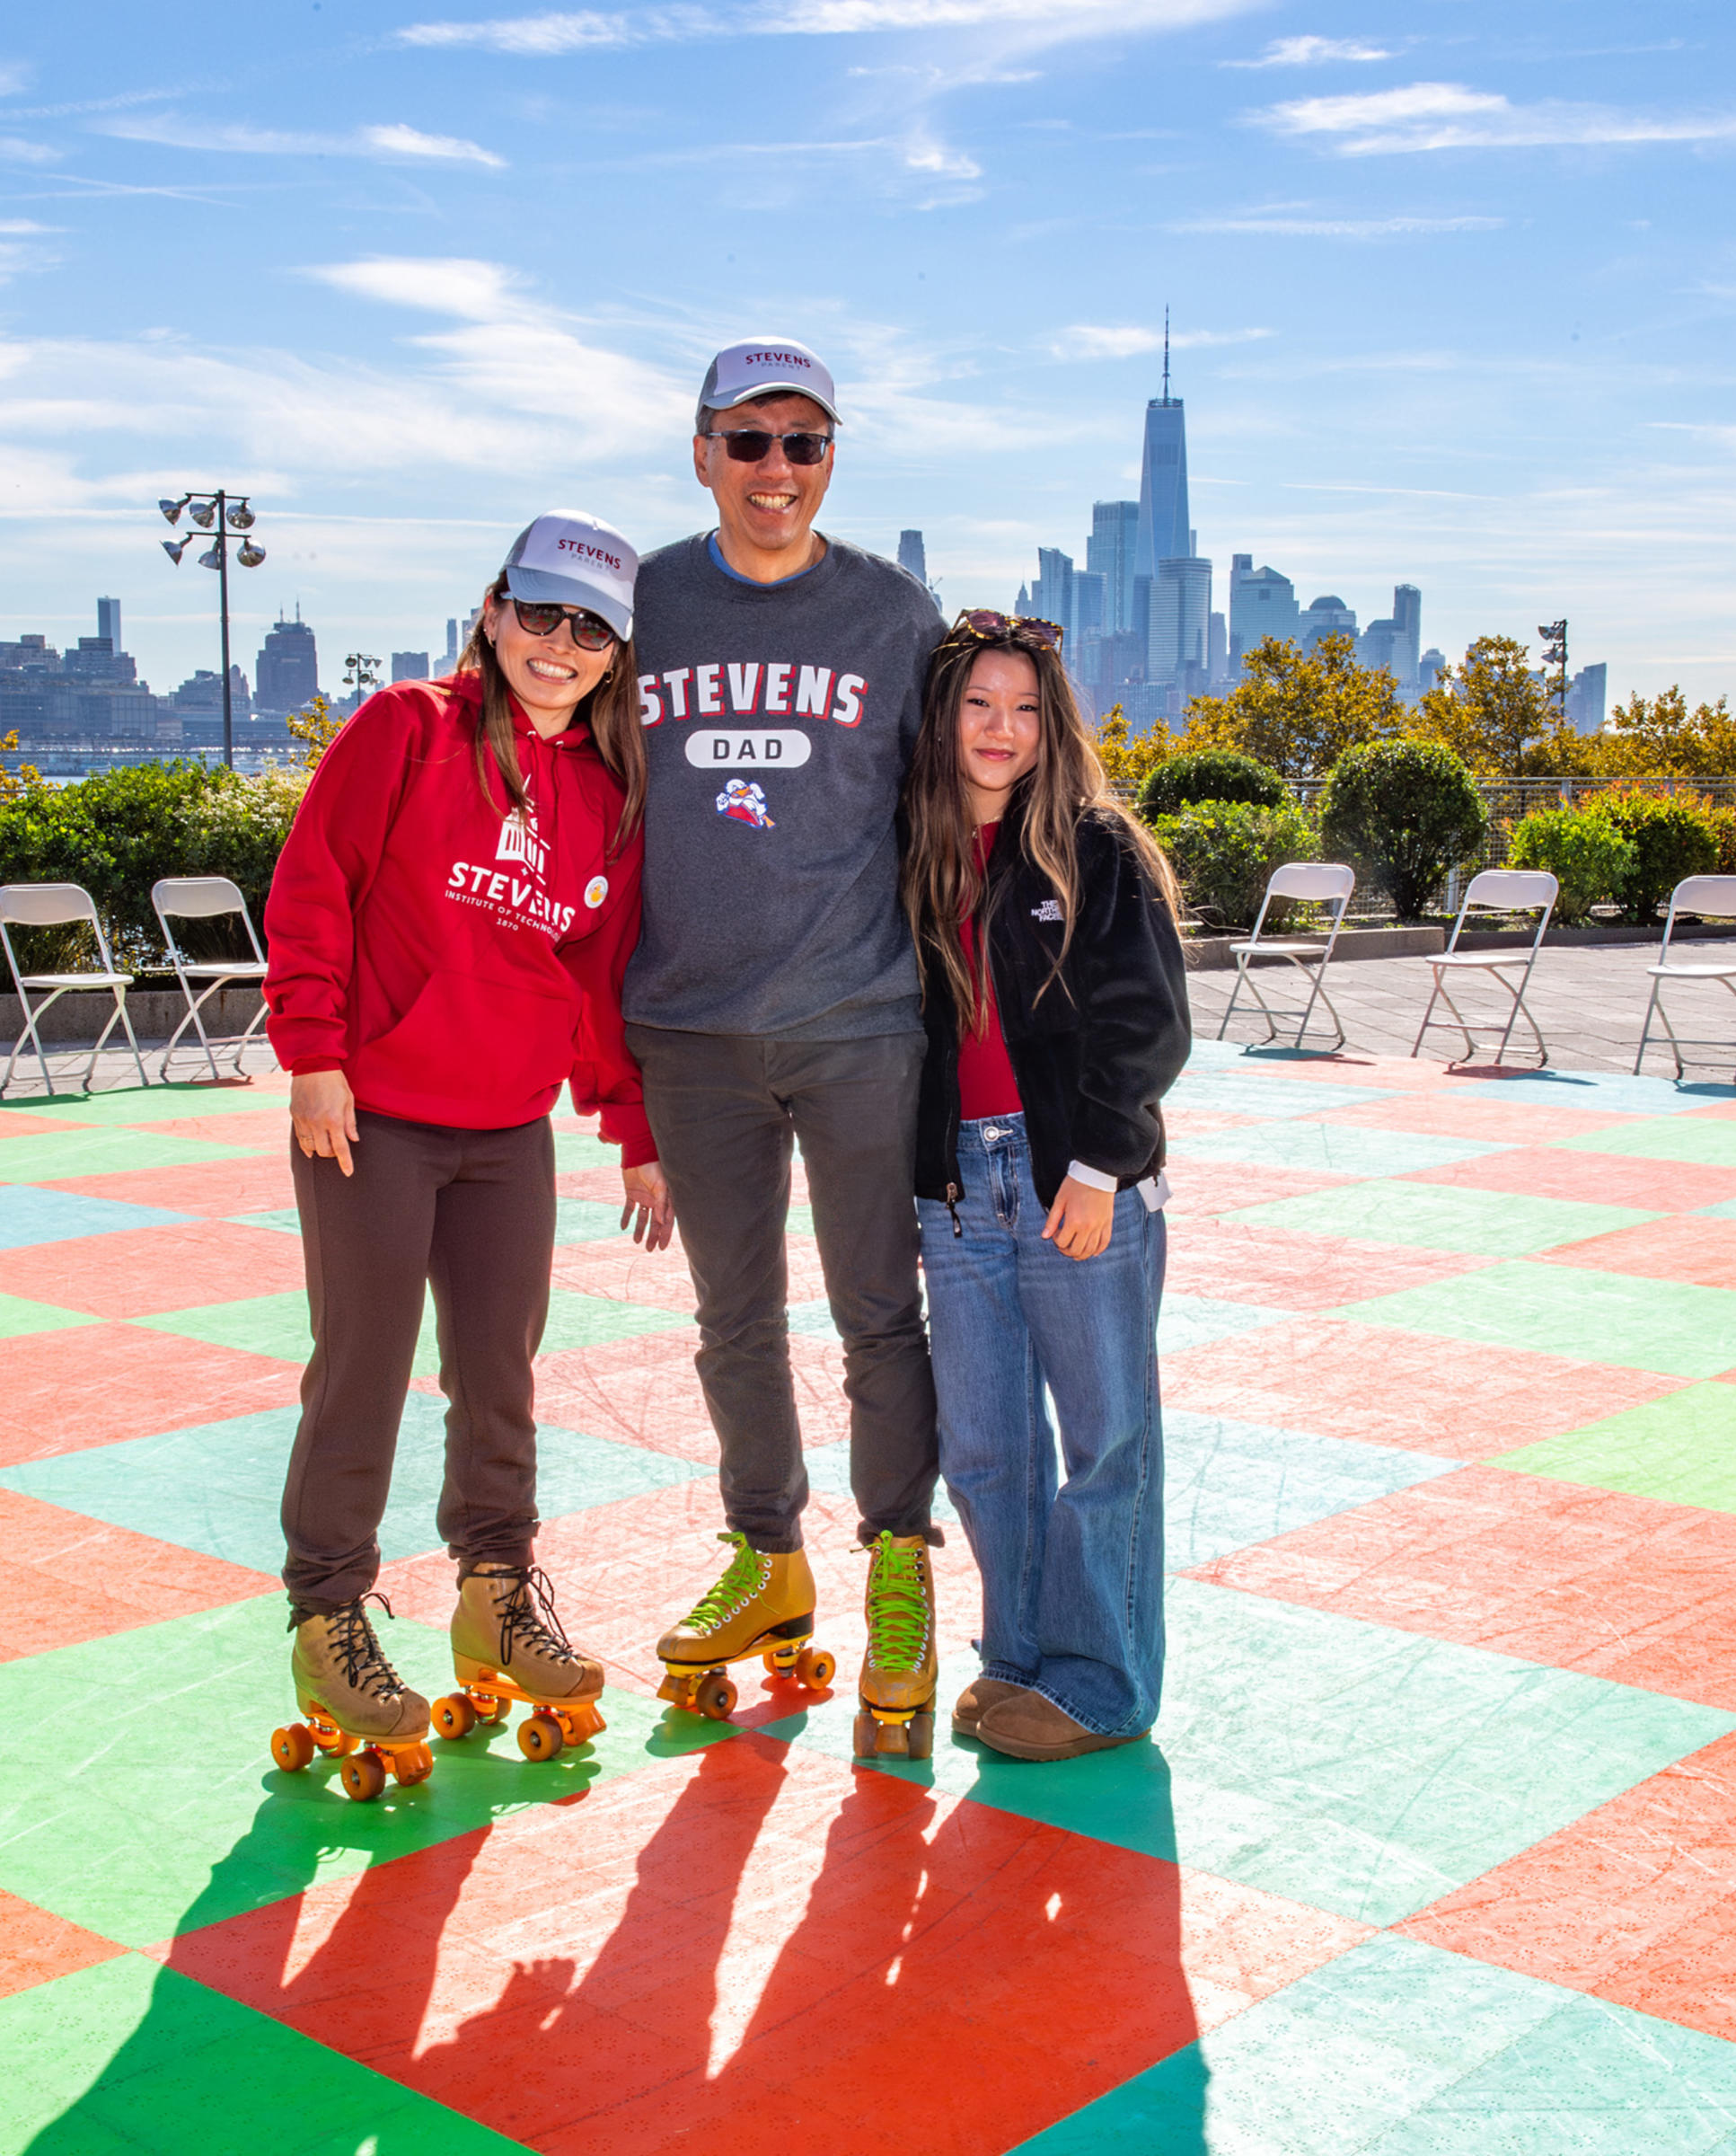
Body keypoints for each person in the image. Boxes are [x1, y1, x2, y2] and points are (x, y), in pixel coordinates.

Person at [262, 509, 674, 1777]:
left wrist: (632, 1129)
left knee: (501, 1376)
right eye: (539, 615)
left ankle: (497, 1594)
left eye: (589, 629)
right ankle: (330, 1614)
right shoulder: (405, 729)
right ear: (494, 615)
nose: (559, 645)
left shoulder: (605, 798)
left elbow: (598, 983)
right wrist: (315, 1056)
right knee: (365, 1369)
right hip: (373, 1118)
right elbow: (314, 882)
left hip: (509, 1131)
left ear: (615, 657)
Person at [625, 337, 947, 1755]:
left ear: (832, 461)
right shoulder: (638, 602)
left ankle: (895, 1563)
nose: (775, 469)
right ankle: (770, 1556)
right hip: (687, 1031)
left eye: (803, 443)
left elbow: (954, 799)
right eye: (746, 441)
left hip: (860, 1020)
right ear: (700, 452)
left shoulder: (893, 614)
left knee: (880, 1313)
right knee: (732, 1320)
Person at [903, 611, 1191, 1762]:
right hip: (958, 1188)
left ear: (1050, 724)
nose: (1002, 728)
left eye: (1025, 708)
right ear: (945, 716)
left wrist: (1097, 1168)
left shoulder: (1092, 846)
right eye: (980, 704)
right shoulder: (911, 849)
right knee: (984, 1442)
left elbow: (1148, 1022)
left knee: (1105, 1440)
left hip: (1075, 1174)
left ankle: (1101, 1685)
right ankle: (1018, 1660)